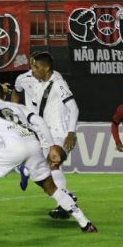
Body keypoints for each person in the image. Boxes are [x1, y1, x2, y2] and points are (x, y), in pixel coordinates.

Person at [0, 82, 97, 234]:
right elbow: (40, 122)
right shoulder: (19, 107)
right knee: (51, 188)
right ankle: (85, 223)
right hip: (33, 144)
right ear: (4, 96)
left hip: (14, 147)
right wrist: (51, 147)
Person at [12, 52, 79, 219]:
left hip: (60, 132)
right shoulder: (36, 82)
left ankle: (64, 205)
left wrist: (71, 132)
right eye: (32, 67)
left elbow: (74, 108)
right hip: (44, 133)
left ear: (46, 68)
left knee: (52, 164)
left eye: (36, 67)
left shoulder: (58, 83)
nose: (33, 70)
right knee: (44, 169)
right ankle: (65, 197)